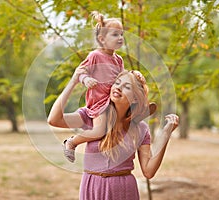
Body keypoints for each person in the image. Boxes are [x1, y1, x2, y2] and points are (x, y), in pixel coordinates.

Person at [48, 67, 179, 200]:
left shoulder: (140, 129)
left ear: (134, 99)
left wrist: (166, 134)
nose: (118, 88)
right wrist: (74, 81)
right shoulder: (92, 115)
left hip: (124, 190)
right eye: (117, 83)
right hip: (92, 188)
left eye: (126, 86)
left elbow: (148, 171)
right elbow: (54, 120)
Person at [56, 11, 156, 162]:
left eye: (121, 34)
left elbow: (123, 76)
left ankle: (136, 113)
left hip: (111, 100)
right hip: (98, 103)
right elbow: (81, 72)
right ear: (102, 39)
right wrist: (86, 79)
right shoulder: (94, 56)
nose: (120, 38)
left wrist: (135, 74)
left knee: (128, 103)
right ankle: (72, 142)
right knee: (99, 130)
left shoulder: (118, 59)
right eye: (115, 34)